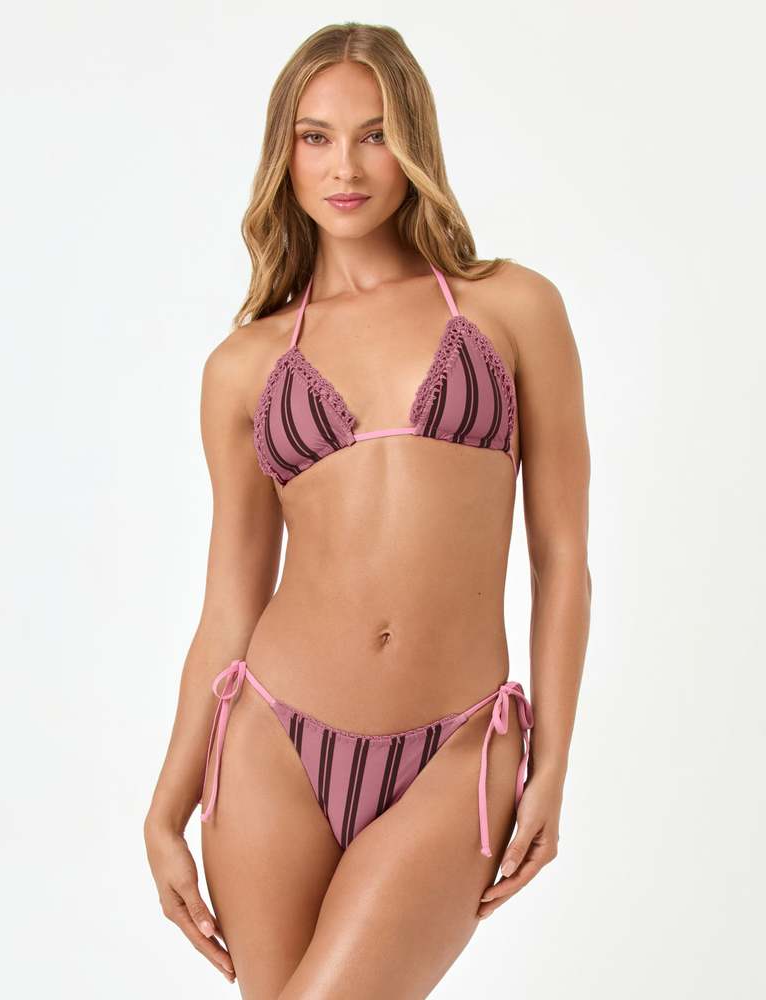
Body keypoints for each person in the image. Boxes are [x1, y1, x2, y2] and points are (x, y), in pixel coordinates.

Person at [144, 21, 591, 997]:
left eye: (374, 134)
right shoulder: (244, 365)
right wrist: (165, 807)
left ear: (414, 143)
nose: (344, 166)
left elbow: (560, 555)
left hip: (459, 748)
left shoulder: (511, 307)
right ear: (284, 154)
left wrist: (552, 759)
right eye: (315, 137)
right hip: (272, 745)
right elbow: (230, 600)